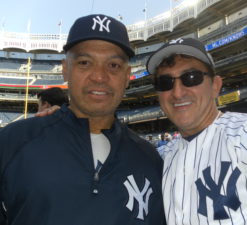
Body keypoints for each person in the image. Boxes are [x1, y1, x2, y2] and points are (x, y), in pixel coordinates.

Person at [0, 14, 165, 225]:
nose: (99, 76)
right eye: (85, 62)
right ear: (65, 69)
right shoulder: (12, 142)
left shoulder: (149, 159)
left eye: (113, 65)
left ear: (127, 76)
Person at [146, 38, 247, 224]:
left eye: (191, 78)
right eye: (165, 82)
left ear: (215, 86)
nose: (178, 93)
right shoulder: (165, 156)